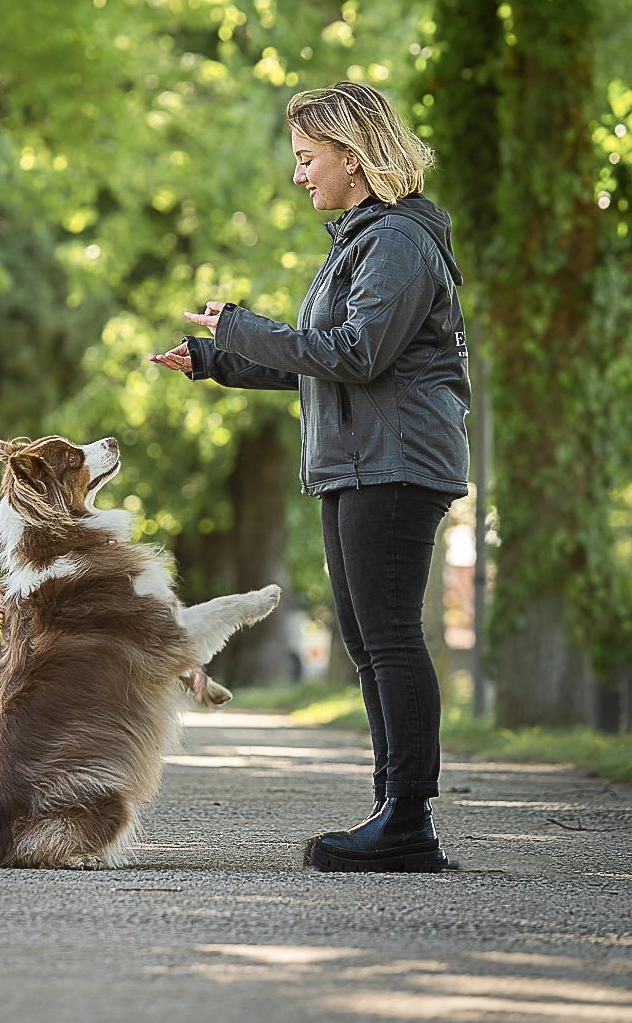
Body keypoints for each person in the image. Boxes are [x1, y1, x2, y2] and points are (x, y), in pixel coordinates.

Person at [149, 81, 470, 874]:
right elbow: (324, 364)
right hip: (359, 459)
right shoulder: (364, 240)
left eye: (306, 158)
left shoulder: (397, 240)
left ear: (352, 159)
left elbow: (354, 355)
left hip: (392, 463)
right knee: (368, 641)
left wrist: (241, 324)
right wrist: (218, 361)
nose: (298, 175)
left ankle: (407, 822)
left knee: (389, 638)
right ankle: (393, 813)